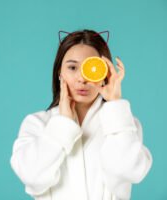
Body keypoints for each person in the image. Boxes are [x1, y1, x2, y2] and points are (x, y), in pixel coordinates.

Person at [9, 29, 153, 200]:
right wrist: (62, 124)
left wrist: (115, 104)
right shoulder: (37, 123)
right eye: (72, 67)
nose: (82, 79)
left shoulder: (122, 124)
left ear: (105, 74)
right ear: (59, 73)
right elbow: (31, 176)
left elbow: (129, 171)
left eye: (91, 68)